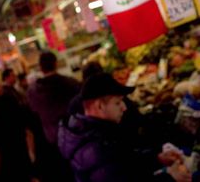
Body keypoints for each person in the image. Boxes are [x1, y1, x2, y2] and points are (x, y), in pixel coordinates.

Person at [58, 72, 192, 182]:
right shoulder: (96, 150)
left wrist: (156, 159)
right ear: (99, 106)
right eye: (117, 103)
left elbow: (124, 163)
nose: (124, 107)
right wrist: (170, 178)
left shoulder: (97, 133)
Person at [27, 51, 81, 145]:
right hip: (75, 133)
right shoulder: (71, 83)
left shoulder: (34, 91)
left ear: (40, 67)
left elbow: (34, 111)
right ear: (56, 63)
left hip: (52, 138)